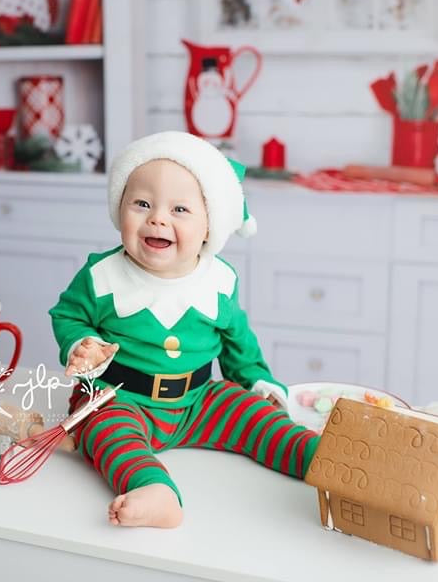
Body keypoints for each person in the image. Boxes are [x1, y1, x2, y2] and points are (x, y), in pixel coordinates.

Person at [48, 131, 319, 528]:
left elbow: (237, 342)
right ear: (118, 209)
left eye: (180, 209)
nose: (157, 218)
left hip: (199, 400)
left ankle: (318, 457)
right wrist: (82, 343)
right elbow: (67, 315)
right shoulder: (101, 276)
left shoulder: (219, 281)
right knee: (103, 428)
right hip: (121, 396)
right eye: (141, 203)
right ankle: (152, 487)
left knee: (256, 416)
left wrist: (258, 380)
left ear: (210, 226)